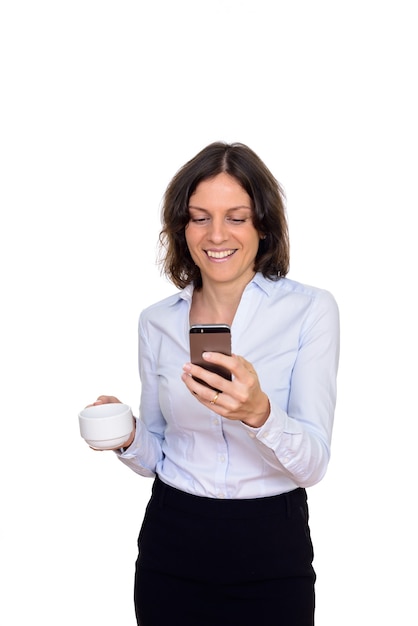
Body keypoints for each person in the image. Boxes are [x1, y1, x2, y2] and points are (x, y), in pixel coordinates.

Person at [88, 141, 340, 625]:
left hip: (271, 544)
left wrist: (258, 413)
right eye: (199, 217)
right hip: (173, 537)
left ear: (263, 226)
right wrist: (127, 435)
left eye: (237, 217)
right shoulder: (156, 321)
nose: (216, 234)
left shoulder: (311, 311)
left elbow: (313, 465)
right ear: (181, 228)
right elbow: (159, 456)